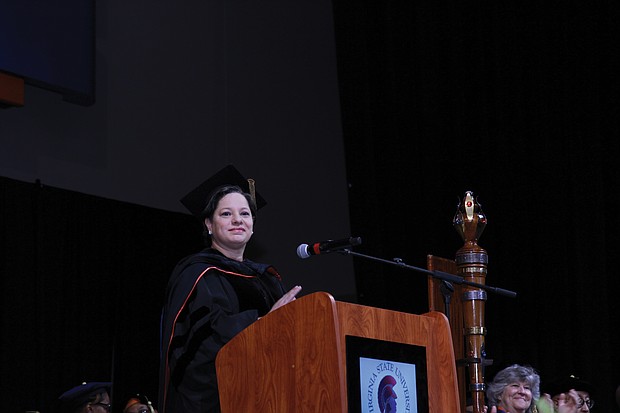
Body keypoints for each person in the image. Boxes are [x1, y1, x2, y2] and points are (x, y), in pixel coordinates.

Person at [158, 165, 302, 413]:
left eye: (245, 214)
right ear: (209, 225)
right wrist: (263, 323)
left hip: (270, 396)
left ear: (252, 225)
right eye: (226, 213)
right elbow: (201, 341)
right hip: (219, 401)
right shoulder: (197, 274)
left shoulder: (267, 277)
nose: (237, 220)